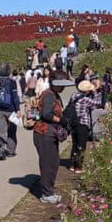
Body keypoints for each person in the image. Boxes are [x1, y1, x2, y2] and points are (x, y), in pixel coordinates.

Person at [33, 70, 72, 204]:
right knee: (47, 164)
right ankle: (46, 193)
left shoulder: (53, 94)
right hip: (44, 134)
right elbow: (46, 114)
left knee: (54, 163)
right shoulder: (49, 95)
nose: (64, 88)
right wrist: (59, 120)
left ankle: (49, 190)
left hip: (49, 134)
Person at [0, 63, 20, 158]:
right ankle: (11, 150)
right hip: (11, 110)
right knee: (11, 131)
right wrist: (18, 109)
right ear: (8, 71)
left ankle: (0, 150)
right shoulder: (12, 82)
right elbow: (15, 97)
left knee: (1, 131)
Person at [69, 80, 99, 173]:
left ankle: (72, 165)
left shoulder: (74, 96)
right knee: (81, 146)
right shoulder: (85, 99)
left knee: (75, 144)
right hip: (82, 123)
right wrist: (95, 91)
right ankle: (78, 167)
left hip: (73, 123)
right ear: (87, 90)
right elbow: (97, 102)